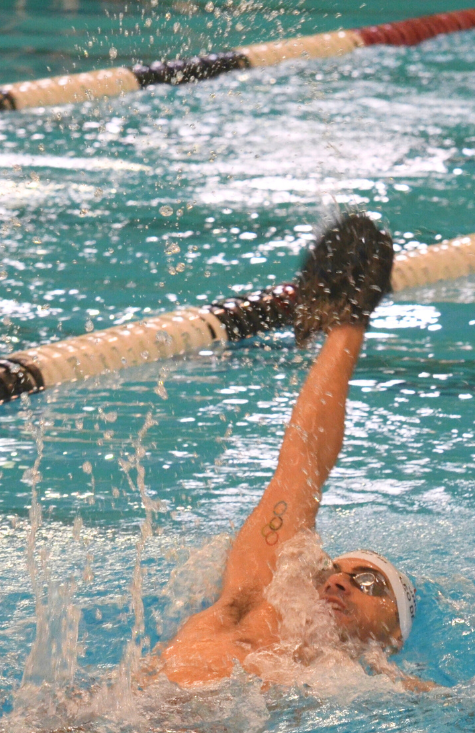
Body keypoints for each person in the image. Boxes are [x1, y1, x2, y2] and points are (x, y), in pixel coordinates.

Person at [155, 214, 432, 693]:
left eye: (369, 584)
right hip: (86, 725)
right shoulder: (255, 598)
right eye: (333, 570)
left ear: (392, 637)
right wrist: (349, 324)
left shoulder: (371, 689)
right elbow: (303, 459)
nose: (337, 582)